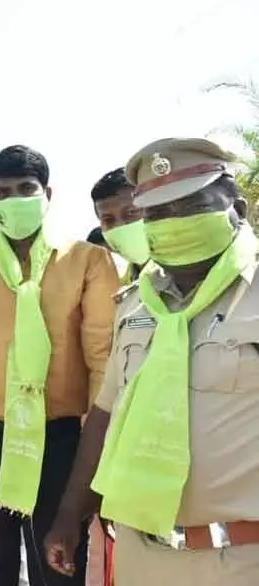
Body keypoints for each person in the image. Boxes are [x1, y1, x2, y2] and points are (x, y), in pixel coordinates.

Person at [43, 138, 259, 586]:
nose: (172, 223)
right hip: (142, 557)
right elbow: (106, 412)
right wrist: (70, 510)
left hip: (241, 559)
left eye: (191, 205)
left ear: (238, 209)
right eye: (157, 213)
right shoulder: (135, 306)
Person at [0, 145, 119, 585]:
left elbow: (101, 357)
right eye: (1, 192)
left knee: (59, 561)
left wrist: (100, 442)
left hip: (63, 438)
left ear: (47, 193)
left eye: (25, 189)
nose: (14, 199)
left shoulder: (89, 261)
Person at [91, 168, 149, 285]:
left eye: (131, 212)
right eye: (108, 219)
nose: (120, 225)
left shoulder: (190, 271)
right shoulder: (116, 289)